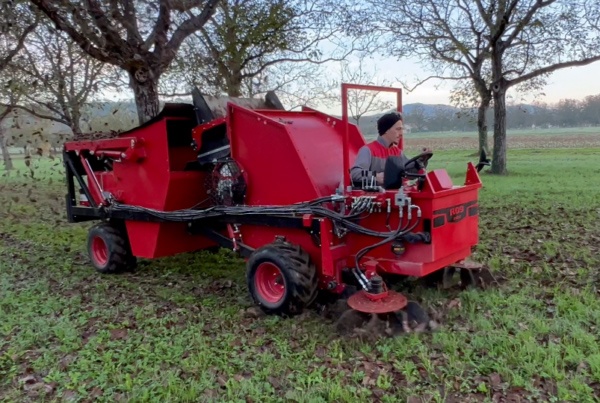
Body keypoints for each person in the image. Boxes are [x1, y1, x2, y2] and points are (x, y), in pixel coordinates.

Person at [350, 111, 430, 186]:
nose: (401, 133)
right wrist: (376, 176)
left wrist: (421, 160)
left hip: (396, 195)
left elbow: (409, 174)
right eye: (398, 129)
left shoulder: (398, 152)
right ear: (386, 130)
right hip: (377, 197)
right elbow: (355, 173)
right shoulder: (368, 150)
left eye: (401, 129)